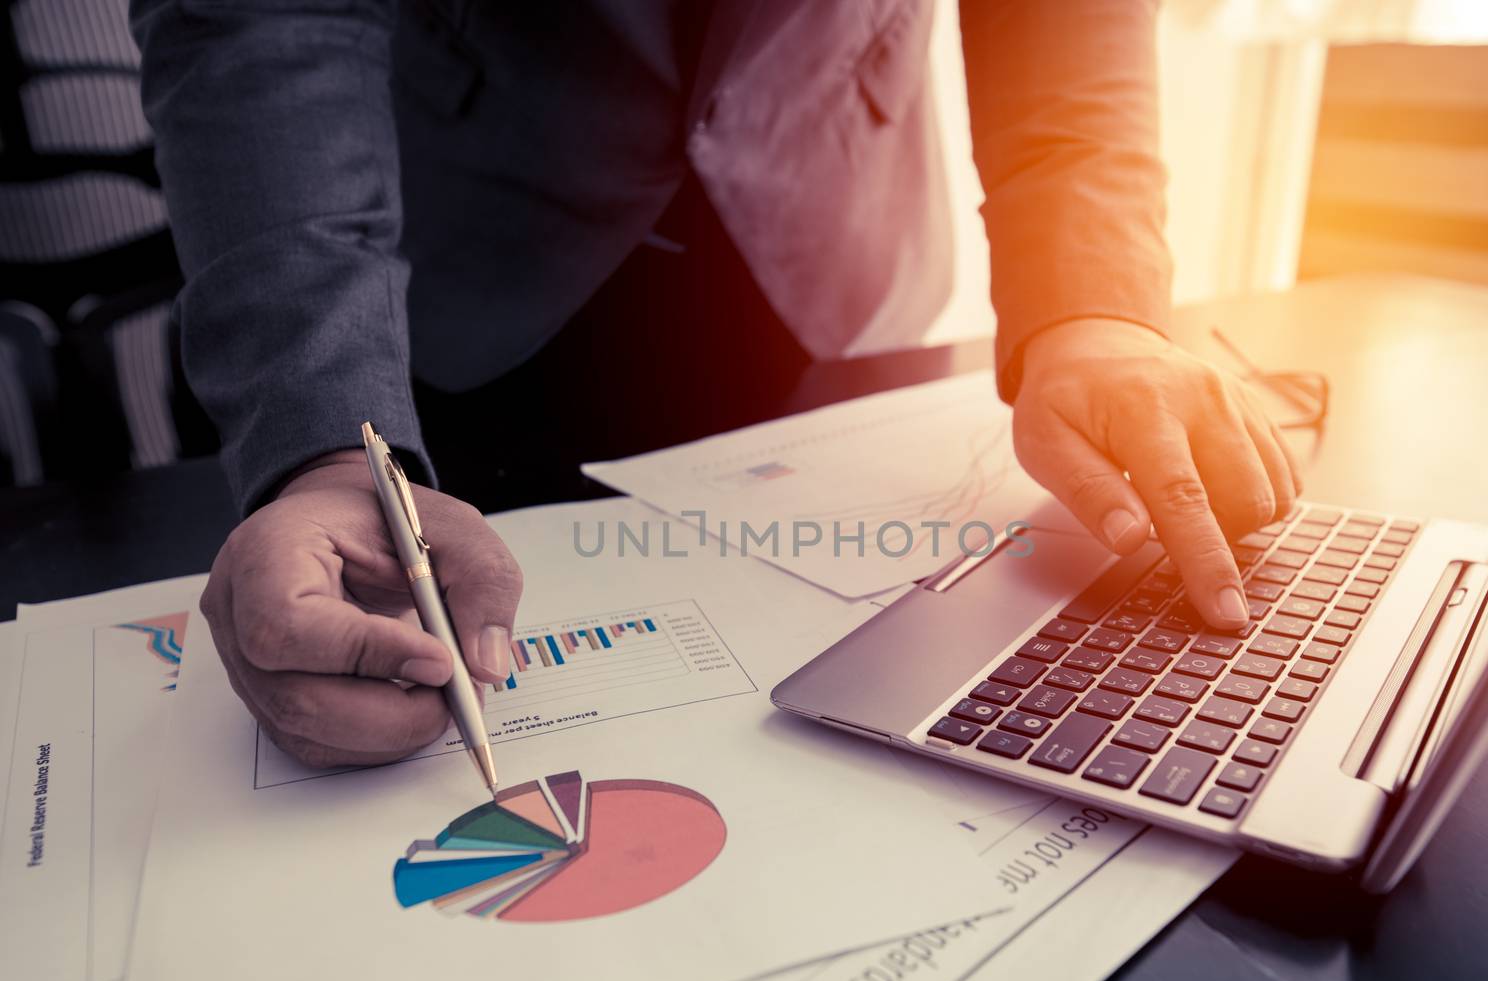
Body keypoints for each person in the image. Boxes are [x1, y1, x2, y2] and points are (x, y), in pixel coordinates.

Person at [131, 1, 1299, 770]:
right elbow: (258, 19)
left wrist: (1091, 303)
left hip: (832, 262)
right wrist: (329, 441)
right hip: (469, 272)